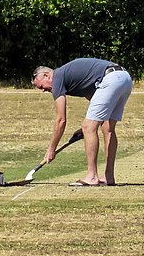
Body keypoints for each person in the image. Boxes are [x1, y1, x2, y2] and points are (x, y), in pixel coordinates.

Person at [32, 58, 132, 186]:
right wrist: (84, 130)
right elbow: (96, 103)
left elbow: (61, 120)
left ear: (47, 75)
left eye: (41, 86)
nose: (42, 90)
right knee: (107, 127)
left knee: (88, 127)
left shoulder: (57, 79)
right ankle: (108, 176)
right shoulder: (75, 78)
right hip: (124, 78)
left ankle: (92, 177)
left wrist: (51, 149)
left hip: (110, 79)